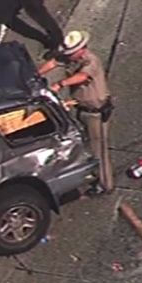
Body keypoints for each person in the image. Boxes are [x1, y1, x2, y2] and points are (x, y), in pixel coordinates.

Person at [38, 30, 114, 193]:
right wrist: (35, 75)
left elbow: (82, 77)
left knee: (98, 148)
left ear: (82, 49)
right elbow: (53, 62)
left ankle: (105, 184)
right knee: (82, 143)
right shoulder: (69, 58)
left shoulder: (91, 61)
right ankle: (91, 172)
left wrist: (60, 84)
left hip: (95, 112)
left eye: (72, 52)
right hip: (79, 107)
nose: (68, 55)